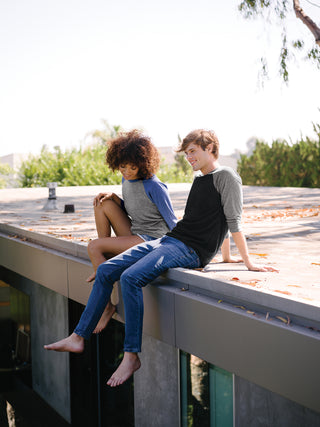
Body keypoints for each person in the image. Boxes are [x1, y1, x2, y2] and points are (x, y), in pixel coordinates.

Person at [44, 129, 278, 387]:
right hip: (171, 240)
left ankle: (131, 355)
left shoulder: (227, 176)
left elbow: (233, 220)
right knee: (107, 269)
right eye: (186, 152)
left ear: (210, 148)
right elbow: (213, 220)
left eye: (193, 151)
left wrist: (248, 262)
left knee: (131, 278)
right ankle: (79, 336)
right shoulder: (201, 178)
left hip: (189, 249)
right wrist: (226, 256)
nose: (188, 157)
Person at [85, 129, 177, 332]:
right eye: (122, 166)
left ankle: (107, 305)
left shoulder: (155, 186)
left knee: (94, 247)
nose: (126, 171)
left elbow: (172, 221)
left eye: (132, 167)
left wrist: (188, 250)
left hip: (151, 240)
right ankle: (107, 262)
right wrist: (115, 198)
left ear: (143, 164)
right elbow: (136, 209)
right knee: (102, 202)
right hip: (135, 231)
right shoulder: (126, 180)